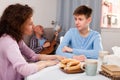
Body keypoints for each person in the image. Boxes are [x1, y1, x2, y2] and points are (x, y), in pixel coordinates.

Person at [0, 4, 64, 80]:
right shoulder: (8, 42)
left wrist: (55, 57)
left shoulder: (16, 38)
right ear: (18, 25)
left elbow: (33, 56)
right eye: (30, 24)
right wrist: (45, 63)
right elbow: (24, 69)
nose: (33, 27)